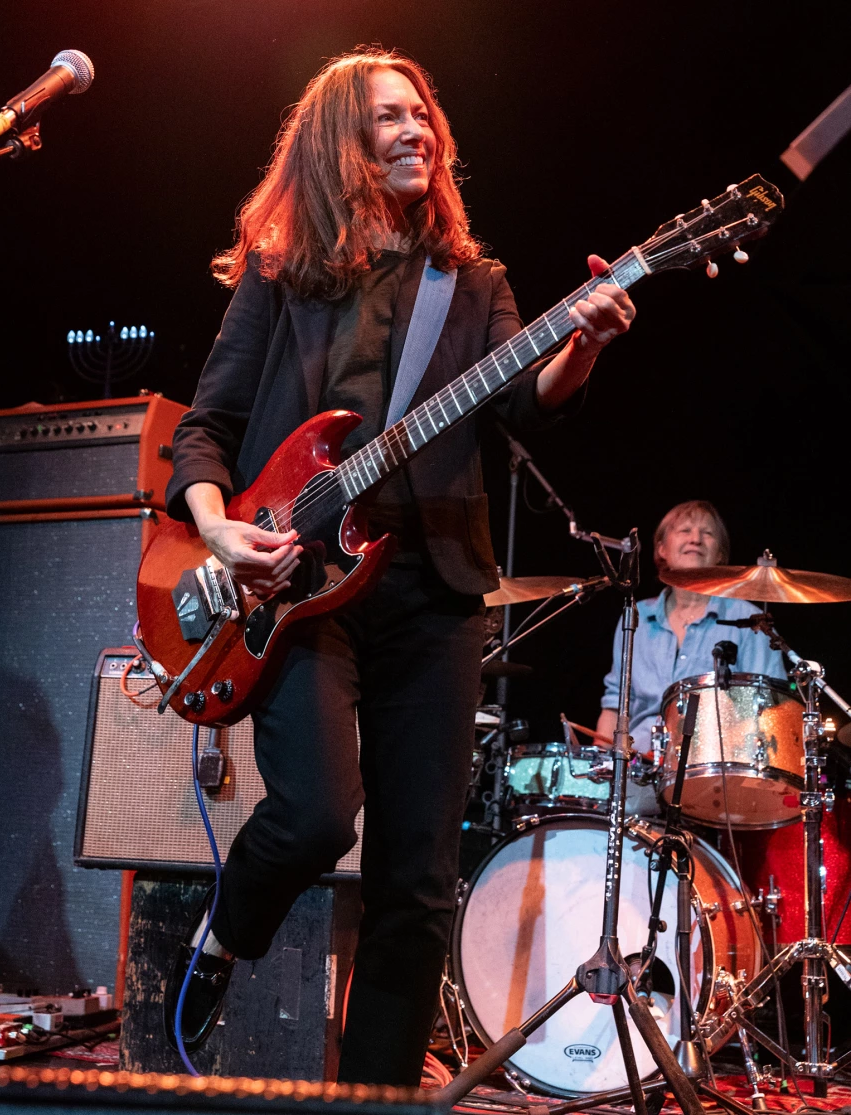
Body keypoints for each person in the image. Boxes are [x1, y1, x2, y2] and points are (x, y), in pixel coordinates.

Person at [164, 48, 636, 1085]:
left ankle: (372, 1098)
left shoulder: (474, 285)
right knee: (318, 815)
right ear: (343, 142)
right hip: (297, 591)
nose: (418, 128)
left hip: (433, 592)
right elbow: (204, 429)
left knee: (416, 877)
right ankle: (227, 928)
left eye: (423, 113)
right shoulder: (281, 277)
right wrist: (216, 527)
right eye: (390, 117)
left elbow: (527, 396)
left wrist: (585, 341)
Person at [596, 500, 786, 813]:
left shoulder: (749, 621)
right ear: (661, 549)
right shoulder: (635, 618)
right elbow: (615, 706)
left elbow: (770, 712)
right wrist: (602, 764)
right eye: (684, 530)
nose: (695, 538)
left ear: (721, 555)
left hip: (715, 777)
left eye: (707, 534)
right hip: (638, 772)